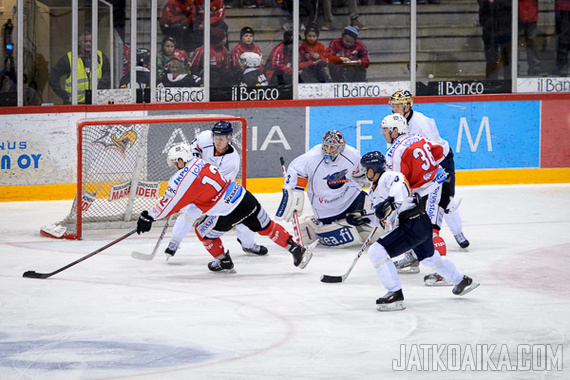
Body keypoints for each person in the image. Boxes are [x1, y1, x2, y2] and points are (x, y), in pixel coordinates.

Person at [136, 144, 313, 272]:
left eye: (175, 162)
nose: (174, 166)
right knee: (267, 227)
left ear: (181, 160)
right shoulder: (201, 163)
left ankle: (223, 261)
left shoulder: (180, 178)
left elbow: (169, 203)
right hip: (245, 197)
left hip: (227, 212)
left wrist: (149, 216)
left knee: (202, 232)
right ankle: (295, 249)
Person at [358, 149, 479, 312]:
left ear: (373, 169)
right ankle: (461, 280)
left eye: (366, 169)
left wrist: (390, 202)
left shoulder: (388, 177)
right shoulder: (373, 189)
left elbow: (402, 186)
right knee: (429, 257)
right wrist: (362, 216)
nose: (365, 173)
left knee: (376, 252)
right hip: (420, 224)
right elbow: (382, 213)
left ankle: (395, 294)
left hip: (412, 223)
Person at [164, 121, 269, 258]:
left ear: (229, 138)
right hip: (200, 185)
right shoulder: (205, 137)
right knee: (189, 213)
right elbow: (194, 148)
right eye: (216, 137)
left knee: (243, 216)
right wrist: (193, 160)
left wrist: (190, 193)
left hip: (222, 195)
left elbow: (216, 185)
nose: (217, 141)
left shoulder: (232, 161)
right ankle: (174, 243)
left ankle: (248, 245)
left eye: (221, 139)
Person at [388, 90, 469, 252]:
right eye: (393, 106)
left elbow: (434, 150)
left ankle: (458, 233)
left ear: (407, 106)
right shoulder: (394, 122)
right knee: (421, 201)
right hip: (422, 165)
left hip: (440, 161)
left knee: (445, 199)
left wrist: (430, 175)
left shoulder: (421, 123)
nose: (394, 109)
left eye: (398, 106)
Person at [276, 130, 372, 248]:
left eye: (332, 147)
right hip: (326, 209)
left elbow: (361, 175)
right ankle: (316, 225)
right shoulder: (312, 158)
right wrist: (294, 191)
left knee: (374, 223)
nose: (328, 150)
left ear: (341, 147)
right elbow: (295, 170)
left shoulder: (352, 155)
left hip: (352, 198)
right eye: (326, 146)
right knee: (347, 239)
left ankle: (342, 222)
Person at [49, 30, 110, 104]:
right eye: (85, 41)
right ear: (80, 42)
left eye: (90, 41)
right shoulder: (70, 58)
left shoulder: (100, 57)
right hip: (74, 104)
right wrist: (63, 94)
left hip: (95, 103)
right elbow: (53, 75)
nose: (88, 44)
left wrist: (101, 87)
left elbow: (108, 73)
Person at [477, 0, 512, 80]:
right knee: (491, 58)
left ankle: (509, 82)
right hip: (490, 26)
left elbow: (510, 4)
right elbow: (482, 4)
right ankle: (492, 82)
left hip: (505, 25)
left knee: (508, 57)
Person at [519, 0, 547, 76]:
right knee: (513, 43)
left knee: (532, 41)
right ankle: (514, 67)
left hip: (530, 11)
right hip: (516, 12)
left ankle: (535, 67)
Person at [555, 0, 570, 76]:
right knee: (564, 38)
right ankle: (562, 66)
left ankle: (562, 66)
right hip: (563, 7)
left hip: (563, 6)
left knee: (564, 37)